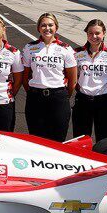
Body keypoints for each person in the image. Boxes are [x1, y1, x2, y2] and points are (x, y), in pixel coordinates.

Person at [21, 12, 78, 142]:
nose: (47, 28)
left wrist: (63, 95)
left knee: (58, 140)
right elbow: (25, 77)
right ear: (38, 28)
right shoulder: (30, 47)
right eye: (43, 25)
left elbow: (72, 80)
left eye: (50, 25)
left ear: (56, 27)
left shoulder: (66, 48)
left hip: (58, 98)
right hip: (35, 99)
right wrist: (33, 91)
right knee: (36, 140)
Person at [72, 19, 107, 141]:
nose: (94, 36)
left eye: (97, 33)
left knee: (104, 139)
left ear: (104, 33)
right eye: (90, 33)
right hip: (82, 100)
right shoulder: (77, 53)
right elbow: (73, 77)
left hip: (104, 101)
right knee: (80, 139)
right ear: (86, 34)